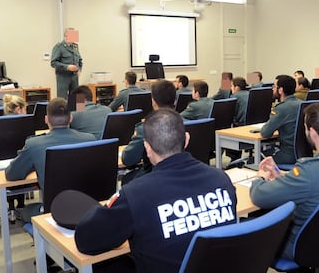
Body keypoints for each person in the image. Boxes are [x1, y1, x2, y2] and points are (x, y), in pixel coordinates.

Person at [74, 109, 237, 273]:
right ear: (186, 139)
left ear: (147, 148)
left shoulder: (136, 194)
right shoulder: (221, 179)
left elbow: (86, 240)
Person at [250, 102, 319, 260]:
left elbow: (259, 196)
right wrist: (280, 176)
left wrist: (260, 177)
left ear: (312, 132)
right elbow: (316, 186)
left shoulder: (309, 170)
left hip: (299, 245)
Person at [5, 97, 96, 221]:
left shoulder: (33, 145)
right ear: (71, 118)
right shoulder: (90, 140)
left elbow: (11, 174)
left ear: (46, 119)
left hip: (54, 213)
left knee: (26, 212)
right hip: (89, 208)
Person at [121, 79, 176, 184]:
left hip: (153, 177)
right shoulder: (183, 123)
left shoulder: (145, 128)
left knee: (127, 179)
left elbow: (128, 159)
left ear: (153, 102)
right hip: (178, 174)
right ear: (175, 100)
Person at [261, 75, 301, 164]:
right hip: (302, 153)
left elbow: (265, 133)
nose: (272, 89)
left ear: (280, 90)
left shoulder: (281, 108)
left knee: (256, 159)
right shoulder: (301, 104)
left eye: (274, 86)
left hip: (287, 154)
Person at [51, 28, 83, 99]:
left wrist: (80, 69)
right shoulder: (59, 47)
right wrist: (67, 67)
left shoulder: (75, 47)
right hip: (63, 77)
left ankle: (80, 110)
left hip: (74, 77)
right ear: (66, 35)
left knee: (78, 99)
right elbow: (53, 63)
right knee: (63, 99)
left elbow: (80, 60)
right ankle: (63, 110)